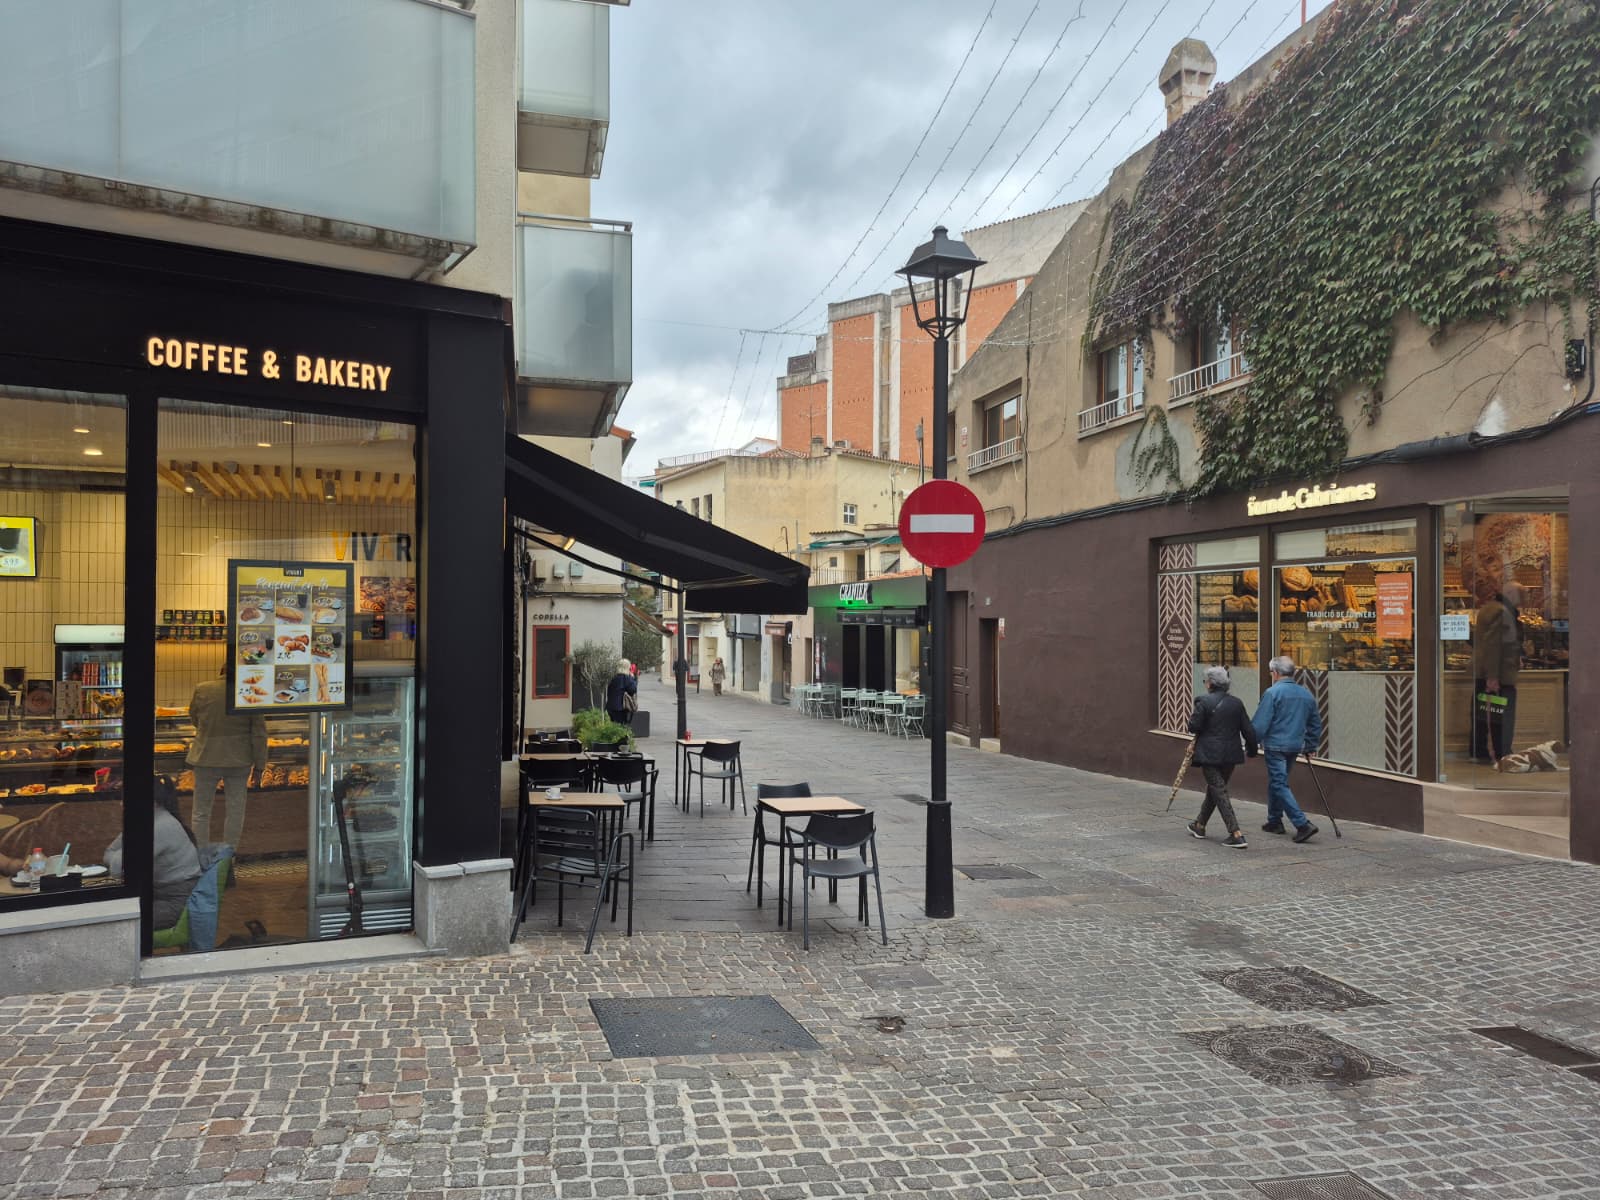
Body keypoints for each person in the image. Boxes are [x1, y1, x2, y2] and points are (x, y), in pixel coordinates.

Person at [188, 666, 268, 850]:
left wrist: (208, 731)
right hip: (238, 760)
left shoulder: (203, 688)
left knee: (201, 811)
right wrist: (259, 765)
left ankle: (200, 855)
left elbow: (194, 717)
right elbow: (259, 734)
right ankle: (228, 856)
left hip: (205, 756)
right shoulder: (250, 692)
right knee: (235, 811)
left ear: (221, 671)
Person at [104, 782, 202, 929]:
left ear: (153, 802)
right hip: (156, 895)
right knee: (110, 910)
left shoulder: (159, 826)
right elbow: (108, 853)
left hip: (176, 902)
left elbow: (119, 869)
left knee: (117, 922)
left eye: (127, 799)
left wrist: (123, 852)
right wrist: (123, 853)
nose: (121, 804)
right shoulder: (145, 820)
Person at [1251, 656, 1323, 843]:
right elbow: (1315, 723)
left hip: (1276, 745)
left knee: (1279, 783)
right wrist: (1310, 745)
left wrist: (1251, 743)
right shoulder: (1305, 694)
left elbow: (1261, 722)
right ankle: (1274, 821)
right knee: (1278, 781)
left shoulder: (1272, 693)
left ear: (1275, 673)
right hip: (1294, 745)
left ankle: (1302, 824)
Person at [1186, 666, 1259, 849]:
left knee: (1219, 790)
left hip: (1209, 754)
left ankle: (1236, 833)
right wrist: (1252, 750)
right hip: (1231, 754)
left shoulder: (1203, 702)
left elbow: (1193, 726)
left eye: (1206, 681)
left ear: (1210, 683)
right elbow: (1248, 729)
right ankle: (1199, 825)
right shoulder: (1236, 703)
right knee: (1216, 789)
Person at [1472, 581, 1522, 763]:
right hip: (1499, 674)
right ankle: (1502, 753)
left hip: (1484, 671)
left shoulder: (1489, 608)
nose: (1521, 599)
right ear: (1510, 594)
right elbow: (1494, 645)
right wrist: (1492, 676)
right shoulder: (1502, 612)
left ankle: (1479, 751)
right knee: (1499, 716)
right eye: (1519, 595)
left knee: (1483, 714)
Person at [605, 658, 638, 726]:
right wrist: (633, 678)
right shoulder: (626, 678)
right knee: (621, 727)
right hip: (620, 708)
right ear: (627, 667)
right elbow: (633, 690)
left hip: (610, 706)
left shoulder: (613, 677)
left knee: (613, 726)